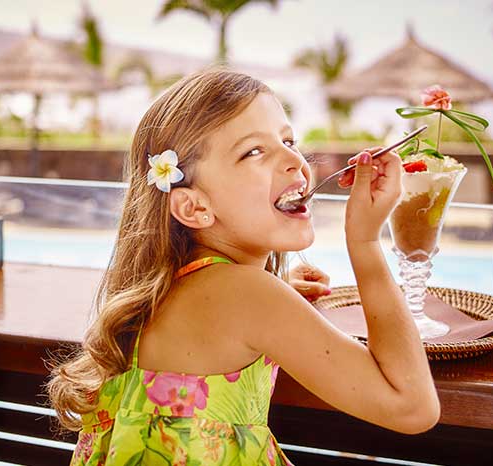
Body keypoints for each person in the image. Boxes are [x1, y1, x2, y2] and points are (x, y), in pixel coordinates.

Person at [47, 68, 440, 466]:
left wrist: (280, 289)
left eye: (288, 141)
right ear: (194, 207)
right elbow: (412, 408)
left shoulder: (173, 291)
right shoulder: (249, 296)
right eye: (254, 151)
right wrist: (366, 242)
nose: (295, 160)